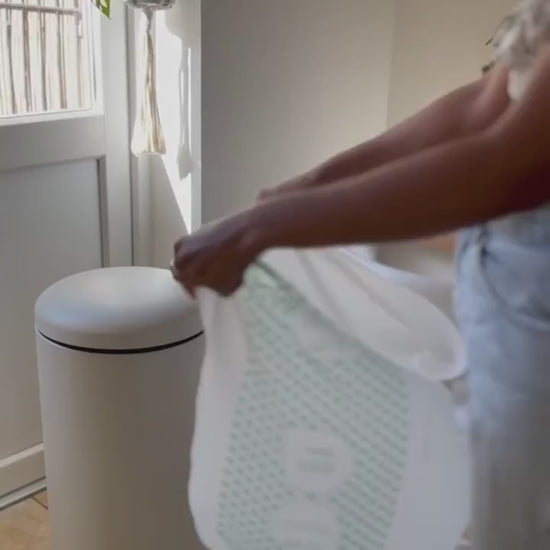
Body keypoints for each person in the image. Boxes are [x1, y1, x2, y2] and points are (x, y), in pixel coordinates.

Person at [172, 2, 550, 548]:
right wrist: (304, 189)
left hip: (535, 314)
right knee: (503, 515)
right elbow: (487, 105)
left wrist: (265, 226)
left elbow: (516, 164)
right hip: (505, 302)